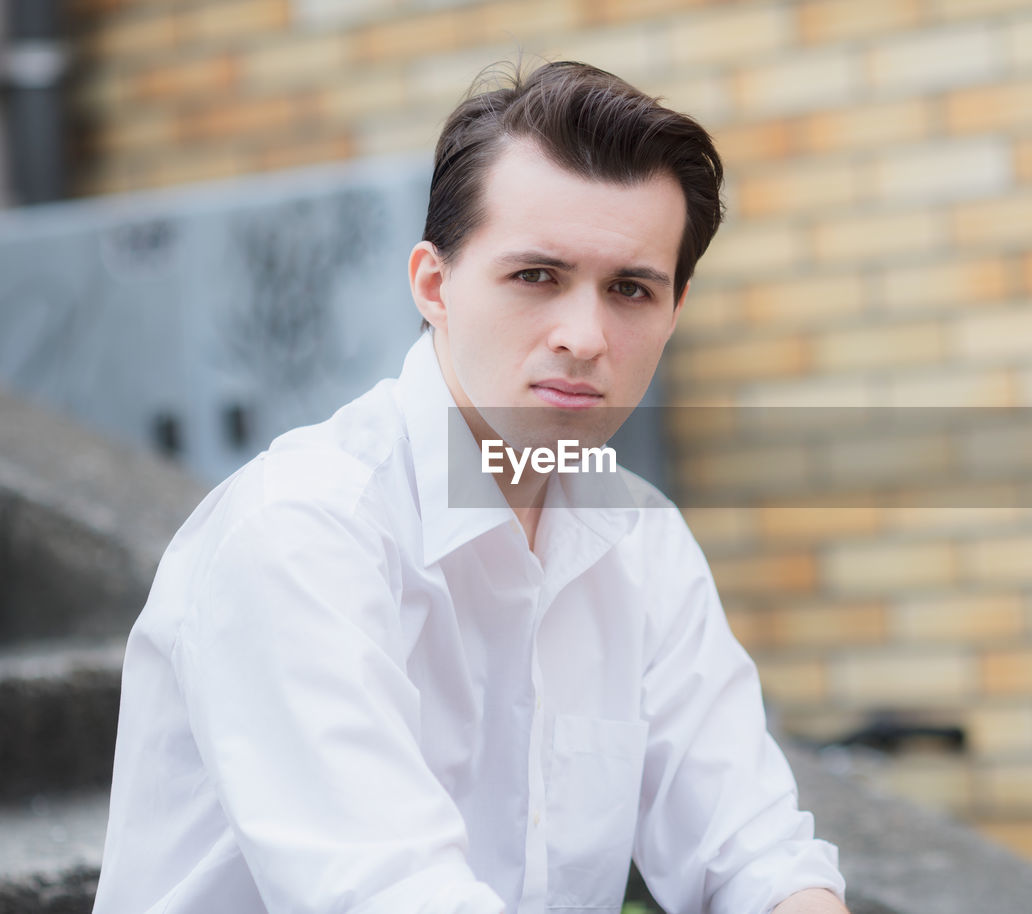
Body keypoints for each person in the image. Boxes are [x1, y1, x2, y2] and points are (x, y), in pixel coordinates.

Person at [92, 60, 848, 914]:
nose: (585, 336)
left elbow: (753, 851)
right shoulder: (304, 530)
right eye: (538, 277)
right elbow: (392, 895)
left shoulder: (641, 538)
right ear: (433, 285)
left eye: (631, 290)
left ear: (671, 314)